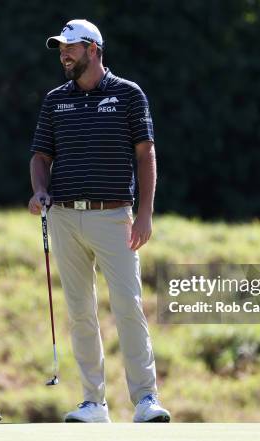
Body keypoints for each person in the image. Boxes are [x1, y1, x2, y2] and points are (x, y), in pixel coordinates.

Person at [28, 20, 171, 423]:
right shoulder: (56, 100)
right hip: (64, 217)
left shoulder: (128, 95)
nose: (63, 55)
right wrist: (40, 190)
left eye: (70, 48)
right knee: (80, 311)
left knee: (128, 306)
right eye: (60, 50)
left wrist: (144, 213)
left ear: (93, 49)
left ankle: (145, 399)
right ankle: (93, 402)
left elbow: (146, 155)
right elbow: (41, 157)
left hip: (114, 217)